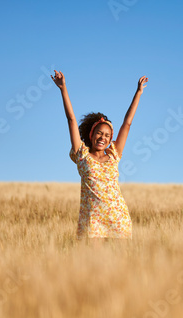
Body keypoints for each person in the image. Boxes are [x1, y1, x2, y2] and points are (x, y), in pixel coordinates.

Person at [51, 70, 148, 242]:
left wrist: (138, 92)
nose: (102, 138)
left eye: (107, 136)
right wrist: (63, 88)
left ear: (111, 140)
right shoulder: (82, 156)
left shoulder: (114, 155)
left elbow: (127, 122)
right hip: (92, 222)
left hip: (118, 219)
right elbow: (71, 119)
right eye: (99, 133)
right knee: (92, 267)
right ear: (91, 135)